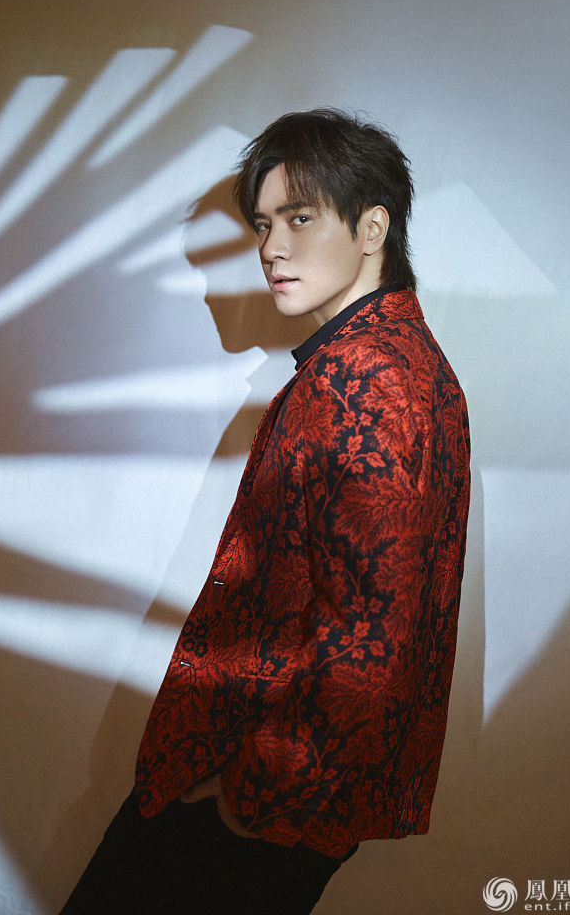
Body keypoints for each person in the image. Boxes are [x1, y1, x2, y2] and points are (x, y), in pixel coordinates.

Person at [59, 108, 471, 915]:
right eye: (262, 224)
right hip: (252, 780)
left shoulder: (374, 382)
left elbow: (374, 638)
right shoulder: (362, 363)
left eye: (300, 218)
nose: (271, 248)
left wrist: (246, 798)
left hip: (263, 798)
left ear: (372, 229)